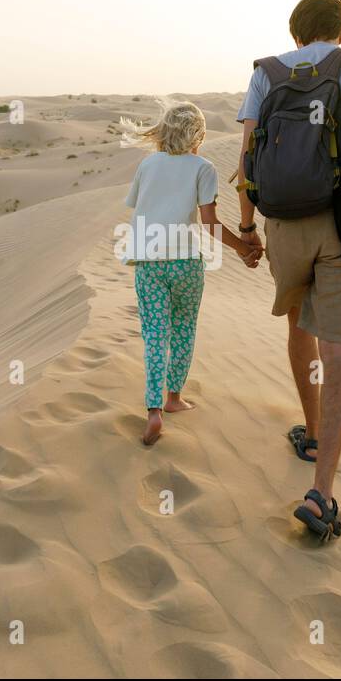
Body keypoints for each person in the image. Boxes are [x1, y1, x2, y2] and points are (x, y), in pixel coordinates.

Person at [234, 0, 341, 539]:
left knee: (298, 325)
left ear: (295, 31)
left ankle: (310, 431)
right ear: (340, 27)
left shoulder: (266, 73)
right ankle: (322, 490)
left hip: (285, 224)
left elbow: (245, 156)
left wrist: (245, 228)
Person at [122, 101, 261, 446]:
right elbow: (210, 224)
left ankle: (153, 410)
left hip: (149, 262)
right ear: (198, 135)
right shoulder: (203, 167)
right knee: (183, 329)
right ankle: (174, 399)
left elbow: (138, 206)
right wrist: (244, 249)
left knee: (155, 333)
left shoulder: (147, 164)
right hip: (185, 263)